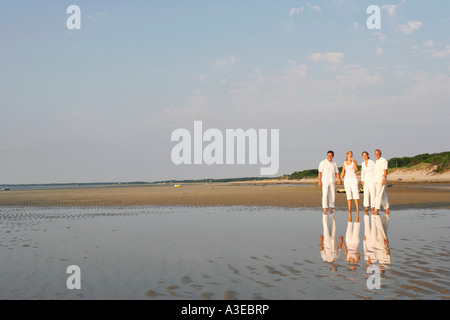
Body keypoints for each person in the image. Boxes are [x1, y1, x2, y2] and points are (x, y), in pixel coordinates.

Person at [373, 149, 390, 215]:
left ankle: (376, 209)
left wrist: (383, 179)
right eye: (375, 153)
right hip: (377, 180)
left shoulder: (384, 160)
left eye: (378, 153)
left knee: (378, 194)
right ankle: (387, 208)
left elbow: (385, 171)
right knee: (383, 194)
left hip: (381, 179)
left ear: (380, 153)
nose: (377, 155)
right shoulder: (376, 161)